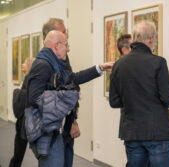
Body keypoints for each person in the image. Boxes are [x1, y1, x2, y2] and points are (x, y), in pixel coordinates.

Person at [27, 30, 113, 167]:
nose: (68, 49)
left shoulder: (55, 64)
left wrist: (100, 68)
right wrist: (65, 100)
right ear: (56, 46)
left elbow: (73, 78)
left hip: (58, 130)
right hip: (49, 133)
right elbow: (34, 98)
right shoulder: (43, 65)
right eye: (66, 45)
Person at [109, 21, 169, 167]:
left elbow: (114, 102)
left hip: (132, 133)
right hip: (158, 132)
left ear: (133, 38)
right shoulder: (158, 62)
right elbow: (167, 97)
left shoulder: (118, 65)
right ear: (151, 39)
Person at [42, 18, 79, 167]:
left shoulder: (64, 58)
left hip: (66, 125)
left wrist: (74, 120)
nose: (67, 36)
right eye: (64, 32)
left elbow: (72, 86)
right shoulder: (43, 64)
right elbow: (35, 99)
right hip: (51, 130)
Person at [9, 57, 35, 167]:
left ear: (29, 65)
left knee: (18, 153)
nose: (22, 64)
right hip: (25, 121)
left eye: (24, 62)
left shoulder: (29, 79)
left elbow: (26, 97)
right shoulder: (28, 78)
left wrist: (17, 92)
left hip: (25, 123)